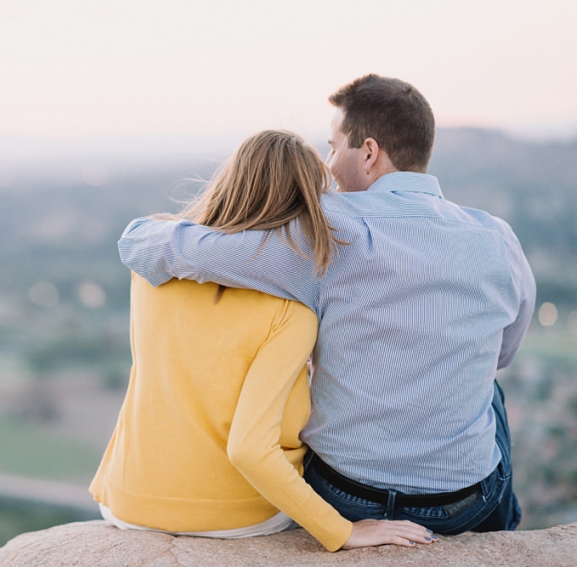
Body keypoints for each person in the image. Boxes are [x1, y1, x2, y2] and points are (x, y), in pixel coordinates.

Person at [117, 75, 535, 534]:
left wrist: (141, 229)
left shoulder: (325, 234)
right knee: (488, 392)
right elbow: (503, 353)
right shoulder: (497, 237)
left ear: (370, 153)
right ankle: (502, 532)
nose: (330, 166)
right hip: (462, 504)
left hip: (344, 494)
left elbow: (161, 249)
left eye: (334, 148)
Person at [89, 130, 435, 551]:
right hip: (239, 515)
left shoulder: (152, 273)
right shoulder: (291, 311)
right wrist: (342, 531)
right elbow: (250, 449)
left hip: (128, 502)